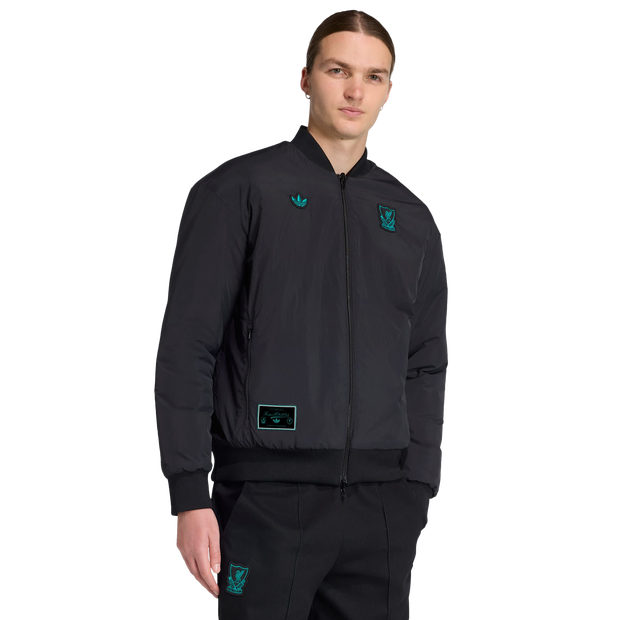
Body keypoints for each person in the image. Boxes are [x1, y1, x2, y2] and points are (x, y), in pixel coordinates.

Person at [153, 8, 449, 619]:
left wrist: (418, 484)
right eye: (338, 70)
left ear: (390, 90)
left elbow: (424, 362)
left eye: (373, 76)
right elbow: (187, 348)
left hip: (381, 507)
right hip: (264, 498)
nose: (355, 90)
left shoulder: (410, 218)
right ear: (304, 78)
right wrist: (189, 493)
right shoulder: (237, 191)